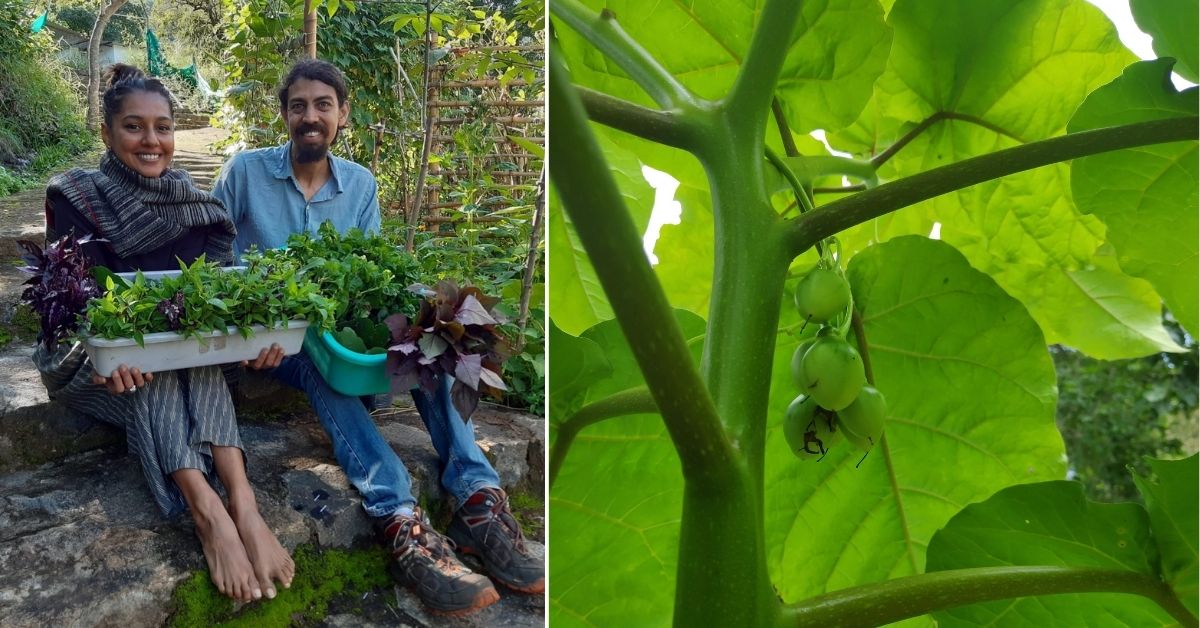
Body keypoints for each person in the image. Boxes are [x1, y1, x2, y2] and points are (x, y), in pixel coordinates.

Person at [211, 58, 544, 615]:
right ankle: (400, 523)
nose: (309, 117)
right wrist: (244, 334)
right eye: (298, 106)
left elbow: (369, 272)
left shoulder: (359, 184)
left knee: (427, 345)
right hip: (277, 346)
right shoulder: (244, 173)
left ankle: (478, 503)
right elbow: (211, 255)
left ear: (343, 114)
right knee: (323, 365)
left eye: (322, 105)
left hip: (340, 330)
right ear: (284, 115)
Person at [34, 64, 294, 603]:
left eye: (163, 127)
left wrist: (250, 344)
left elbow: (212, 312)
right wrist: (112, 352)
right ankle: (206, 510)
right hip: (93, 360)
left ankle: (242, 502)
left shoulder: (195, 206)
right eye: (134, 127)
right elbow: (73, 310)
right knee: (149, 365)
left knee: (184, 354)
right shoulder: (76, 198)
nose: (152, 141)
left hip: (175, 360)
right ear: (106, 133)